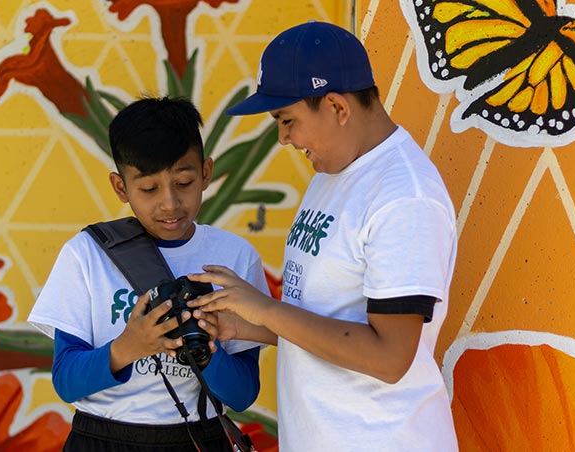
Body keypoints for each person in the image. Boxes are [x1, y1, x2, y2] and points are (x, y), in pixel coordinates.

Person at [187, 21, 460, 451]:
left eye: (287, 120)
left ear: (336, 106)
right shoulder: (335, 172)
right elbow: (328, 319)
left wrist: (265, 309)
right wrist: (244, 324)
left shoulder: (404, 197)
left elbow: (390, 358)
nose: (283, 138)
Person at [28, 96, 270, 451]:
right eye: (149, 189)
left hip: (197, 439)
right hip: (102, 439)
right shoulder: (88, 253)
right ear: (120, 187)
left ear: (206, 173)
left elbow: (243, 393)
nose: (169, 203)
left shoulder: (235, 256)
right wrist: (129, 347)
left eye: (184, 183)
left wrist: (206, 351)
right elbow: (66, 381)